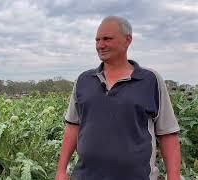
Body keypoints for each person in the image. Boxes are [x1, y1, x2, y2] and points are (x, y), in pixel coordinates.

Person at [55, 16, 181, 180]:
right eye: (97, 40)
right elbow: (72, 126)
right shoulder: (83, 80)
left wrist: (174, 177)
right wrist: (61, 171)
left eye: (107, 39)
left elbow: (168, 135)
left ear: (127, 40)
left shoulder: (150, 80)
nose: (100, 45)